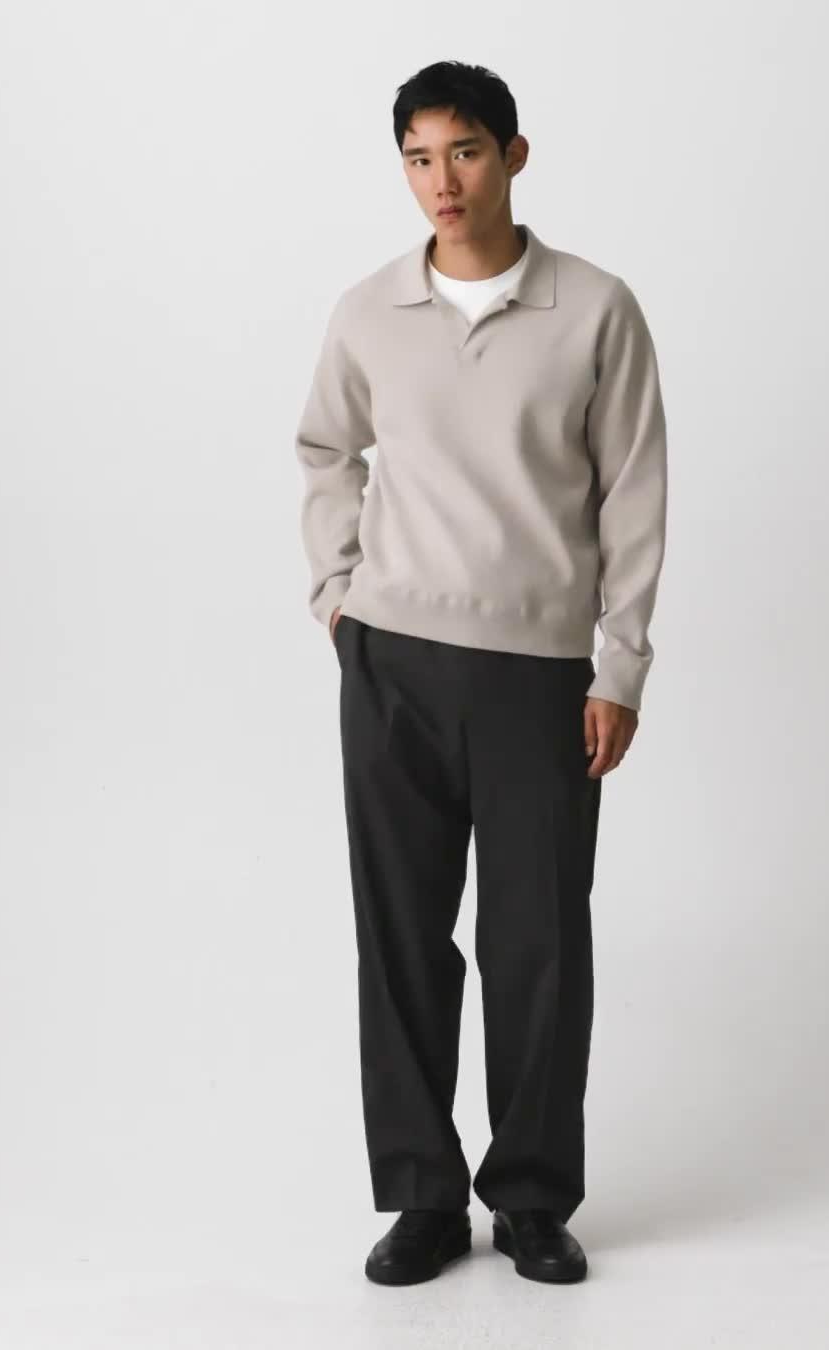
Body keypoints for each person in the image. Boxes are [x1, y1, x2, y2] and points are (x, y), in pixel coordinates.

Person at [294, 59, 668, 1286]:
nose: (440, 181)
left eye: (463, 151)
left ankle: (532, 1199)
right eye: (418, 157)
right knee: (401, 937)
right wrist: (338, 596)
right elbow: (325, 449)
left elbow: (634, 492)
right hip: (392, 664)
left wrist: (619, 665)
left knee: (537, 943)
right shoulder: (368, 312)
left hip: (539, 675)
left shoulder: (595, 309)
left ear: (514, 154)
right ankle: (421, 1196)